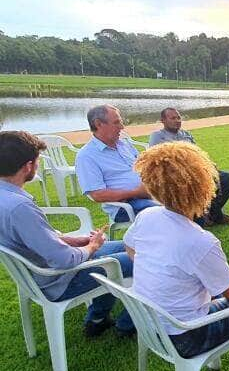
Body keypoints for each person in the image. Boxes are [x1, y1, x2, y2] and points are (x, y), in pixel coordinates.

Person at [123, 142, 229, 371]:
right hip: (187, 336)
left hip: (152, 326)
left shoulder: (147, 216)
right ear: (201, 185)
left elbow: (130, 247)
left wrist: (168, 274)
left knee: (222, 301)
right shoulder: (199, 240)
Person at [0, 131, 134, 337]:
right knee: (139, 258)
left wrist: (74, 240)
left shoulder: (7, 197)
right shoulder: (19, 207)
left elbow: (32, 237)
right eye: (37, 162)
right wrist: (92, 246)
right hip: (57, 280)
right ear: (28, 166)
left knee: (126, 246)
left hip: (39, 271)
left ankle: (98, 319)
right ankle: (127, 324)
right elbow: (65, 260)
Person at [149, 107, 229, 227]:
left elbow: (198, 154)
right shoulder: (157, 136)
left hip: (198, 171)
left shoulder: (186, 134)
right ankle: (210, 216)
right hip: (177, 176)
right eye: (173, 118)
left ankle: (212, 214)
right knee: (197, 183)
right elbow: (156, 160)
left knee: (228, 178)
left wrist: (208, 164)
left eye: (178, 117)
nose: (177, 120)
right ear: (163, 120)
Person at [75, 105, 159, 222]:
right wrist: (136, 192)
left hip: (151, 194)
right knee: (168, 213)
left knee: (189, 203)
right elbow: (97, 195)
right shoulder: (86, 156)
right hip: (125, 206)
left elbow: (144, 168)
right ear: (98, 124)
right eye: (116, 123)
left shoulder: (124, 145)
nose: (122, 127)